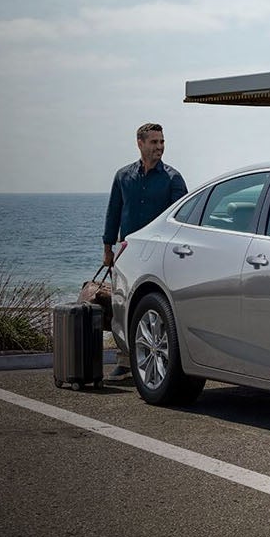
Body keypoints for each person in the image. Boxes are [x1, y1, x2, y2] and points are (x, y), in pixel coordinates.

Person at [103, 122, 187, 380]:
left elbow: (183, 220)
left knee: (153, 306)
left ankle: (161, 360)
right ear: (140, 143)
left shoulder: (173, 179)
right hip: (127, 253)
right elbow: (114, 212)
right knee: (122, 306)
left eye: (162, 142)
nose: (159, 147)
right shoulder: (123, 176)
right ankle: (125, 360)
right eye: (154, 142)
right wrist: (108, 248)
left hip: (158, 254)